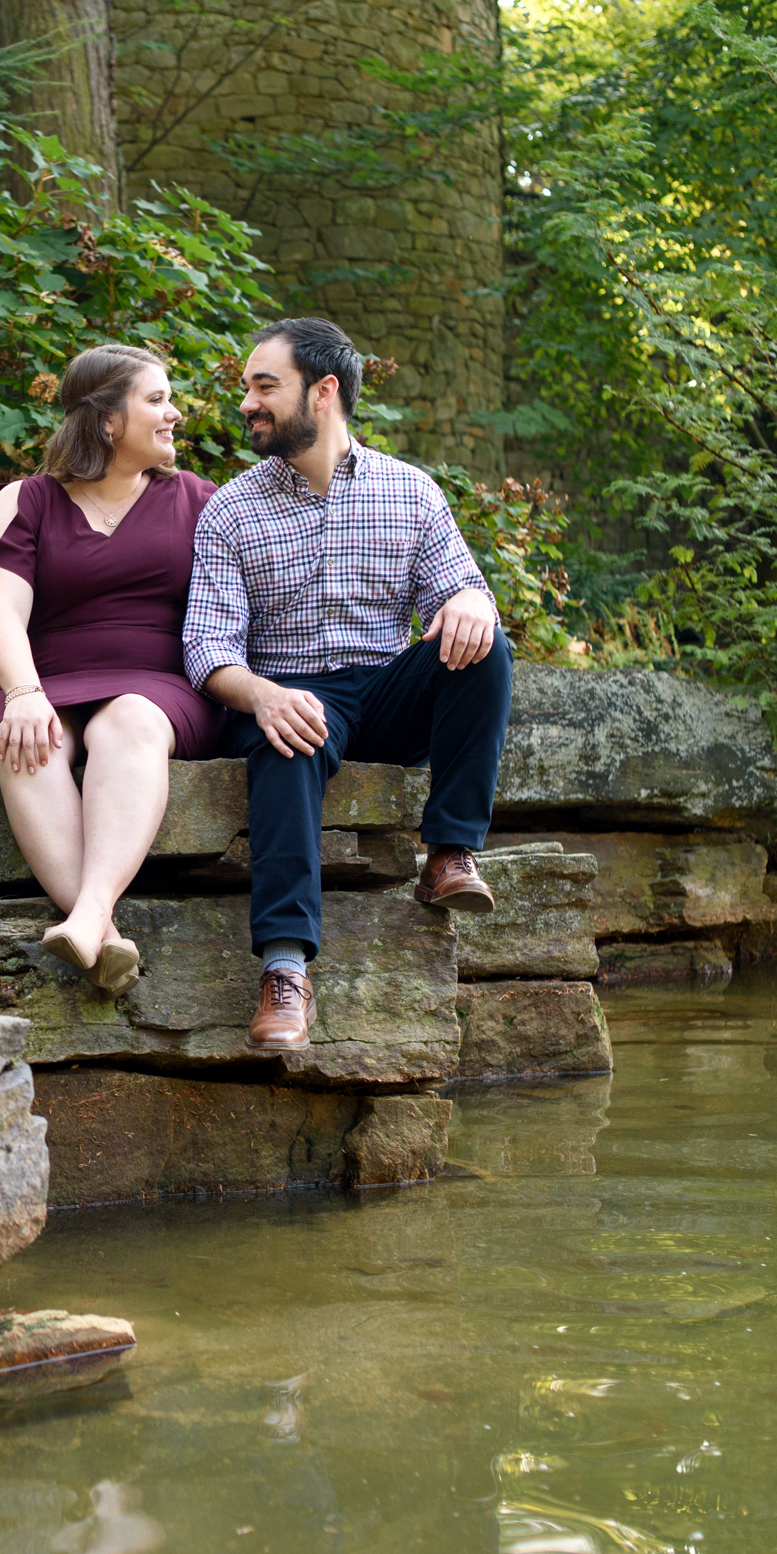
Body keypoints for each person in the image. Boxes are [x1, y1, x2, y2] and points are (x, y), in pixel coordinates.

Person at [183, 316, 513, 1050]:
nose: (247, 402)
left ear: (323, 391)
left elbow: (461, 595)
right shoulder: (230, 510)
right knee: (286, 734)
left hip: (384, 689)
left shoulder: (412, 492)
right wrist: (263, 694)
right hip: (288, 692)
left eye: (265, 386)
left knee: (487, 645)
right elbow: (206, 648)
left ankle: (451, 853)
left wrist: (469, 599)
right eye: (246, 388)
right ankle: (284, 970)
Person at [0, 343, 226, 994]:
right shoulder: (24, 502)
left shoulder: (202, 502)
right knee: (20, 736)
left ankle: (87, 914)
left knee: (129, 719)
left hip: (160, 688)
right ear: (108, 419)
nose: (174, 415)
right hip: (46, 680)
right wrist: (22, 692)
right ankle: (103, 938)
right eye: (157, 400)